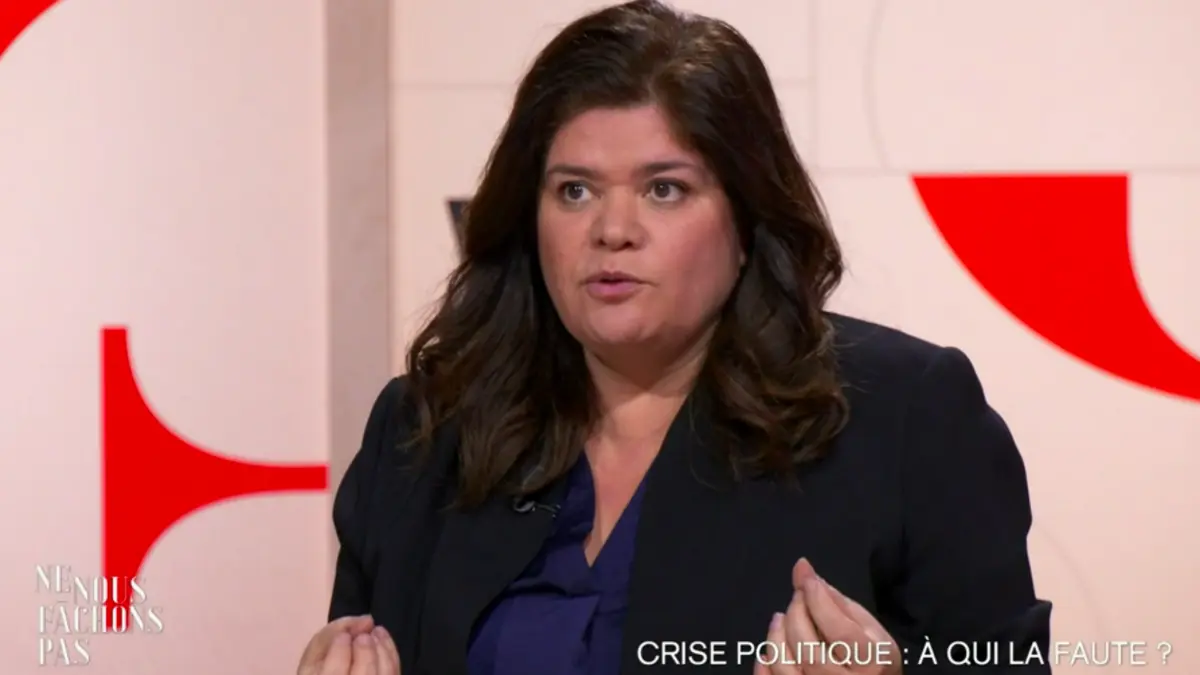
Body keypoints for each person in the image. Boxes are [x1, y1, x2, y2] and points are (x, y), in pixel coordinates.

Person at [296, 1, 1052, 673]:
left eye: (665, 189)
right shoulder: (425, 432)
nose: (612, 230)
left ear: (747, 220)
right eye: (575, 190)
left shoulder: (905, 420)